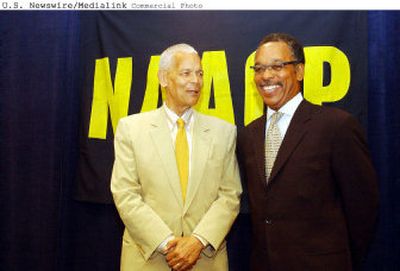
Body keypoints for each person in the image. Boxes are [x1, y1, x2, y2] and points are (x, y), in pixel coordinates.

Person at [237, 33, 379, 271]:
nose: (266, 76)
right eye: (259, 68)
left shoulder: (336, 126)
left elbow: (363, 207)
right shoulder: (248, 135)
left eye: (277, 66)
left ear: (299, 71)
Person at [111, 43, 242, 271]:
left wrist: (197, 241)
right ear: (164, 78)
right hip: (148, 259)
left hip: (205, 260)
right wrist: (168, 245)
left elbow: (230, 196)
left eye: (200, 73)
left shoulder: (224, 132)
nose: (196, 80)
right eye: (186, 73)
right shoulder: (131, 129)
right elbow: (125, 194)